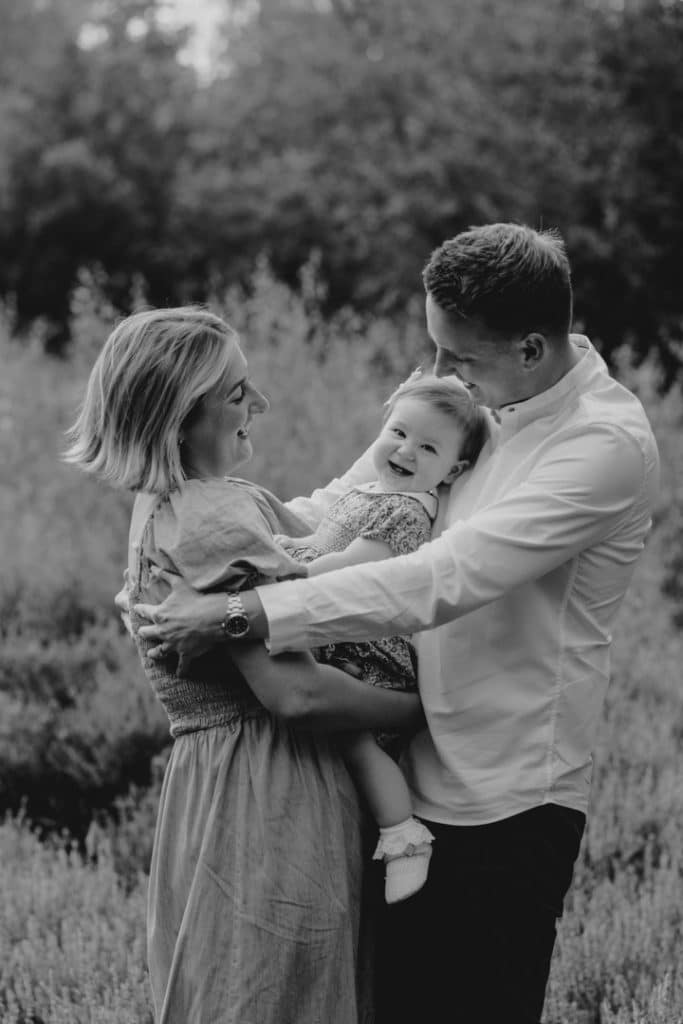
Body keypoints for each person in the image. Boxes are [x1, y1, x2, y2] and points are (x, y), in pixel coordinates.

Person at [135, 223, 660, 1024]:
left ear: (528, 348)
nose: (439, 371)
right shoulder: (468, 395)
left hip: (502, 799)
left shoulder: (602, 447)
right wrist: (183, 549)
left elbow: (443, 578)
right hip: (397, 784)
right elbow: (345, 504)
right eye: (434, 349)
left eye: (459, 357)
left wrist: (244, 610)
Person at [63, 306, 423, 1024]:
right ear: (176, 420)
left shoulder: (167, 507)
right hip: (270, 793)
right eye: (235, 393)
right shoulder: (214, 517)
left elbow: (330, 537)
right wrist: (427, 712)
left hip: (216, 789)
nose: (258, 403)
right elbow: (295, 695)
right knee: (277, 996)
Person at [278, 373, 488, 903]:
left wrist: (286, 566)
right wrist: (290, 546)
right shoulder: (369, 491)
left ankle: (403, 834)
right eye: (398, 432)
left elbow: (354, 565)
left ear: (453, 470)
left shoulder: (410, 510)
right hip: (339, 632)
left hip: (370, 650)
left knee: (354, 737)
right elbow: (323, 539)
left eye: (428, 448)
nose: (406, 451)